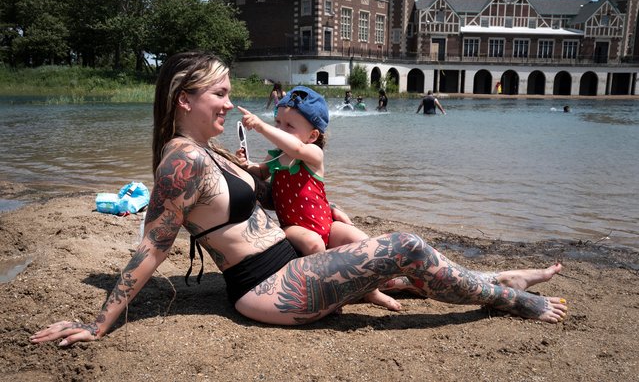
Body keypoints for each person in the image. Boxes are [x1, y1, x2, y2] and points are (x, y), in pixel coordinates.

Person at [31, 51, 567, 348]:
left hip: (293, 264)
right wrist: (99, 323)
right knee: (405, 246)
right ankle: (516, 299)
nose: (228, 102)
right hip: (268, 287)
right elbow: (152, 249)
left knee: (410, 276)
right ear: (185, 100)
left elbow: (268, 189)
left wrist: (298, 186)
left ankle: (502, 280)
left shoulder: (207, 150)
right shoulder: (181, 162)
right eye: (219, 93)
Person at [237, 86, 400, 310]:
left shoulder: (314, 154)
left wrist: (260, 126)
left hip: (326, 224)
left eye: (289, 126)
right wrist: (247, 165)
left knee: (362, 240)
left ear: (312, 135)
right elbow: (260, 173)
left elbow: (295, 148)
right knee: (313, 243)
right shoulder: (275, 157)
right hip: (294, 227)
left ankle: (371, 291)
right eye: (278, 123)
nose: (280, 130)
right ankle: (326, 292)